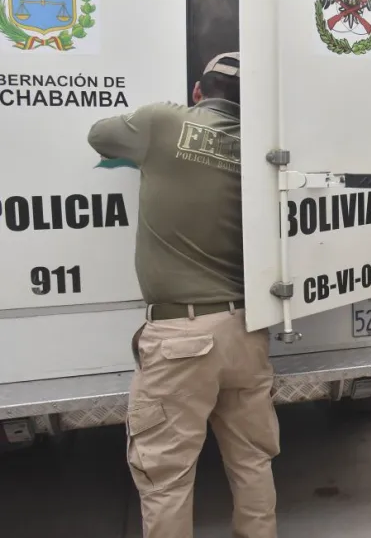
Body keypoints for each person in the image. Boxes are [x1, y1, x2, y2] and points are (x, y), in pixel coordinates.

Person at [87, 53, 279, 538]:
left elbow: (100, 134)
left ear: (198, 92)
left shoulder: (162, 122)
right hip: (246, 331)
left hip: (180, 340)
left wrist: (174, 114)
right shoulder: (261, 147)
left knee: (167, 478)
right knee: (253, 463)